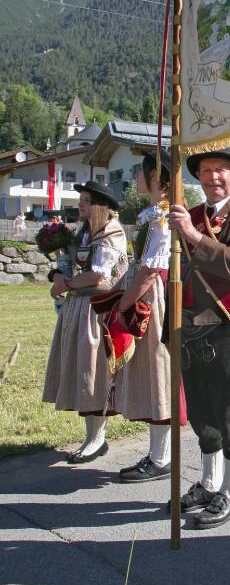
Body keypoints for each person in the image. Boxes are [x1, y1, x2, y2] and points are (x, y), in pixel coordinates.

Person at [168, 149, 230, 529]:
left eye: (219, 171)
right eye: (205, 171)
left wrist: (192, 236)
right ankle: (209, 483)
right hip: (190, 327)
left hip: (229, 328)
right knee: (201, 412)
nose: (212, 178)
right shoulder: (190, 216)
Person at [43, 182, 128, 462]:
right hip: (80, 307)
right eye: (81, 199)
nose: (81, 204)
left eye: (87, 200)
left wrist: (65, 283)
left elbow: (97, 276)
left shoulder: (111, 234)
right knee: (83, 373)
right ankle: (90, 437)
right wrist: (59, 273)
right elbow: (76, 265)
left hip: (99, 311)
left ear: (101, 206)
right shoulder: (86, 233)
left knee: (95, 374)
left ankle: (97, 439)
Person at [115, 151, 173, 481]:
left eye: (141, 171)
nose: (136, 176)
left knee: (158, 372)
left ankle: (161, 457)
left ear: (155, 177)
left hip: (153, 300)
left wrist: (124, 304)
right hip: (145, 295)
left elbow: (151, 270)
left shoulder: (162, 218)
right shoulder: (153, 215)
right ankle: (156, 454)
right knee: (151, 375)